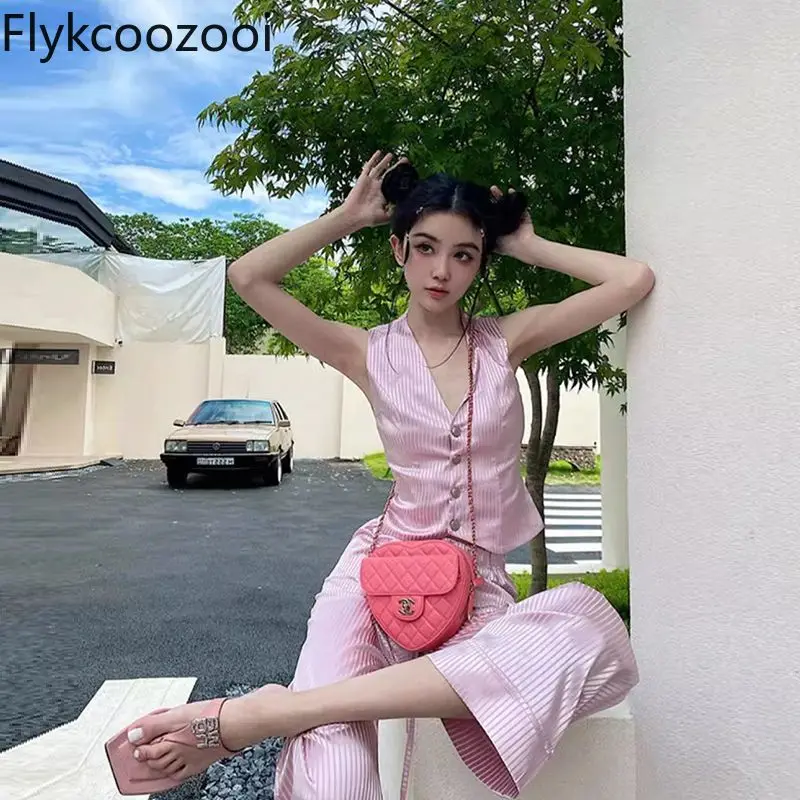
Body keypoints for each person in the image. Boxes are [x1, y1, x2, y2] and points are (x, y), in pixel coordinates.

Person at [106, 150, 655, 799]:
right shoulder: (366, 350)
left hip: (478, 583)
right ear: (399, 250)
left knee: (586, 625)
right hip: (373, 575)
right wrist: (347, 217)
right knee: (336, 779)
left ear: (481, 262)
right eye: (425, 248)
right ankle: (292, 712)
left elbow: (631, 280)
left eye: (463, 254)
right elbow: (248, 276)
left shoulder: (505, 341)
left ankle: (262, 715)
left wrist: (525, 244)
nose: (441, 270)